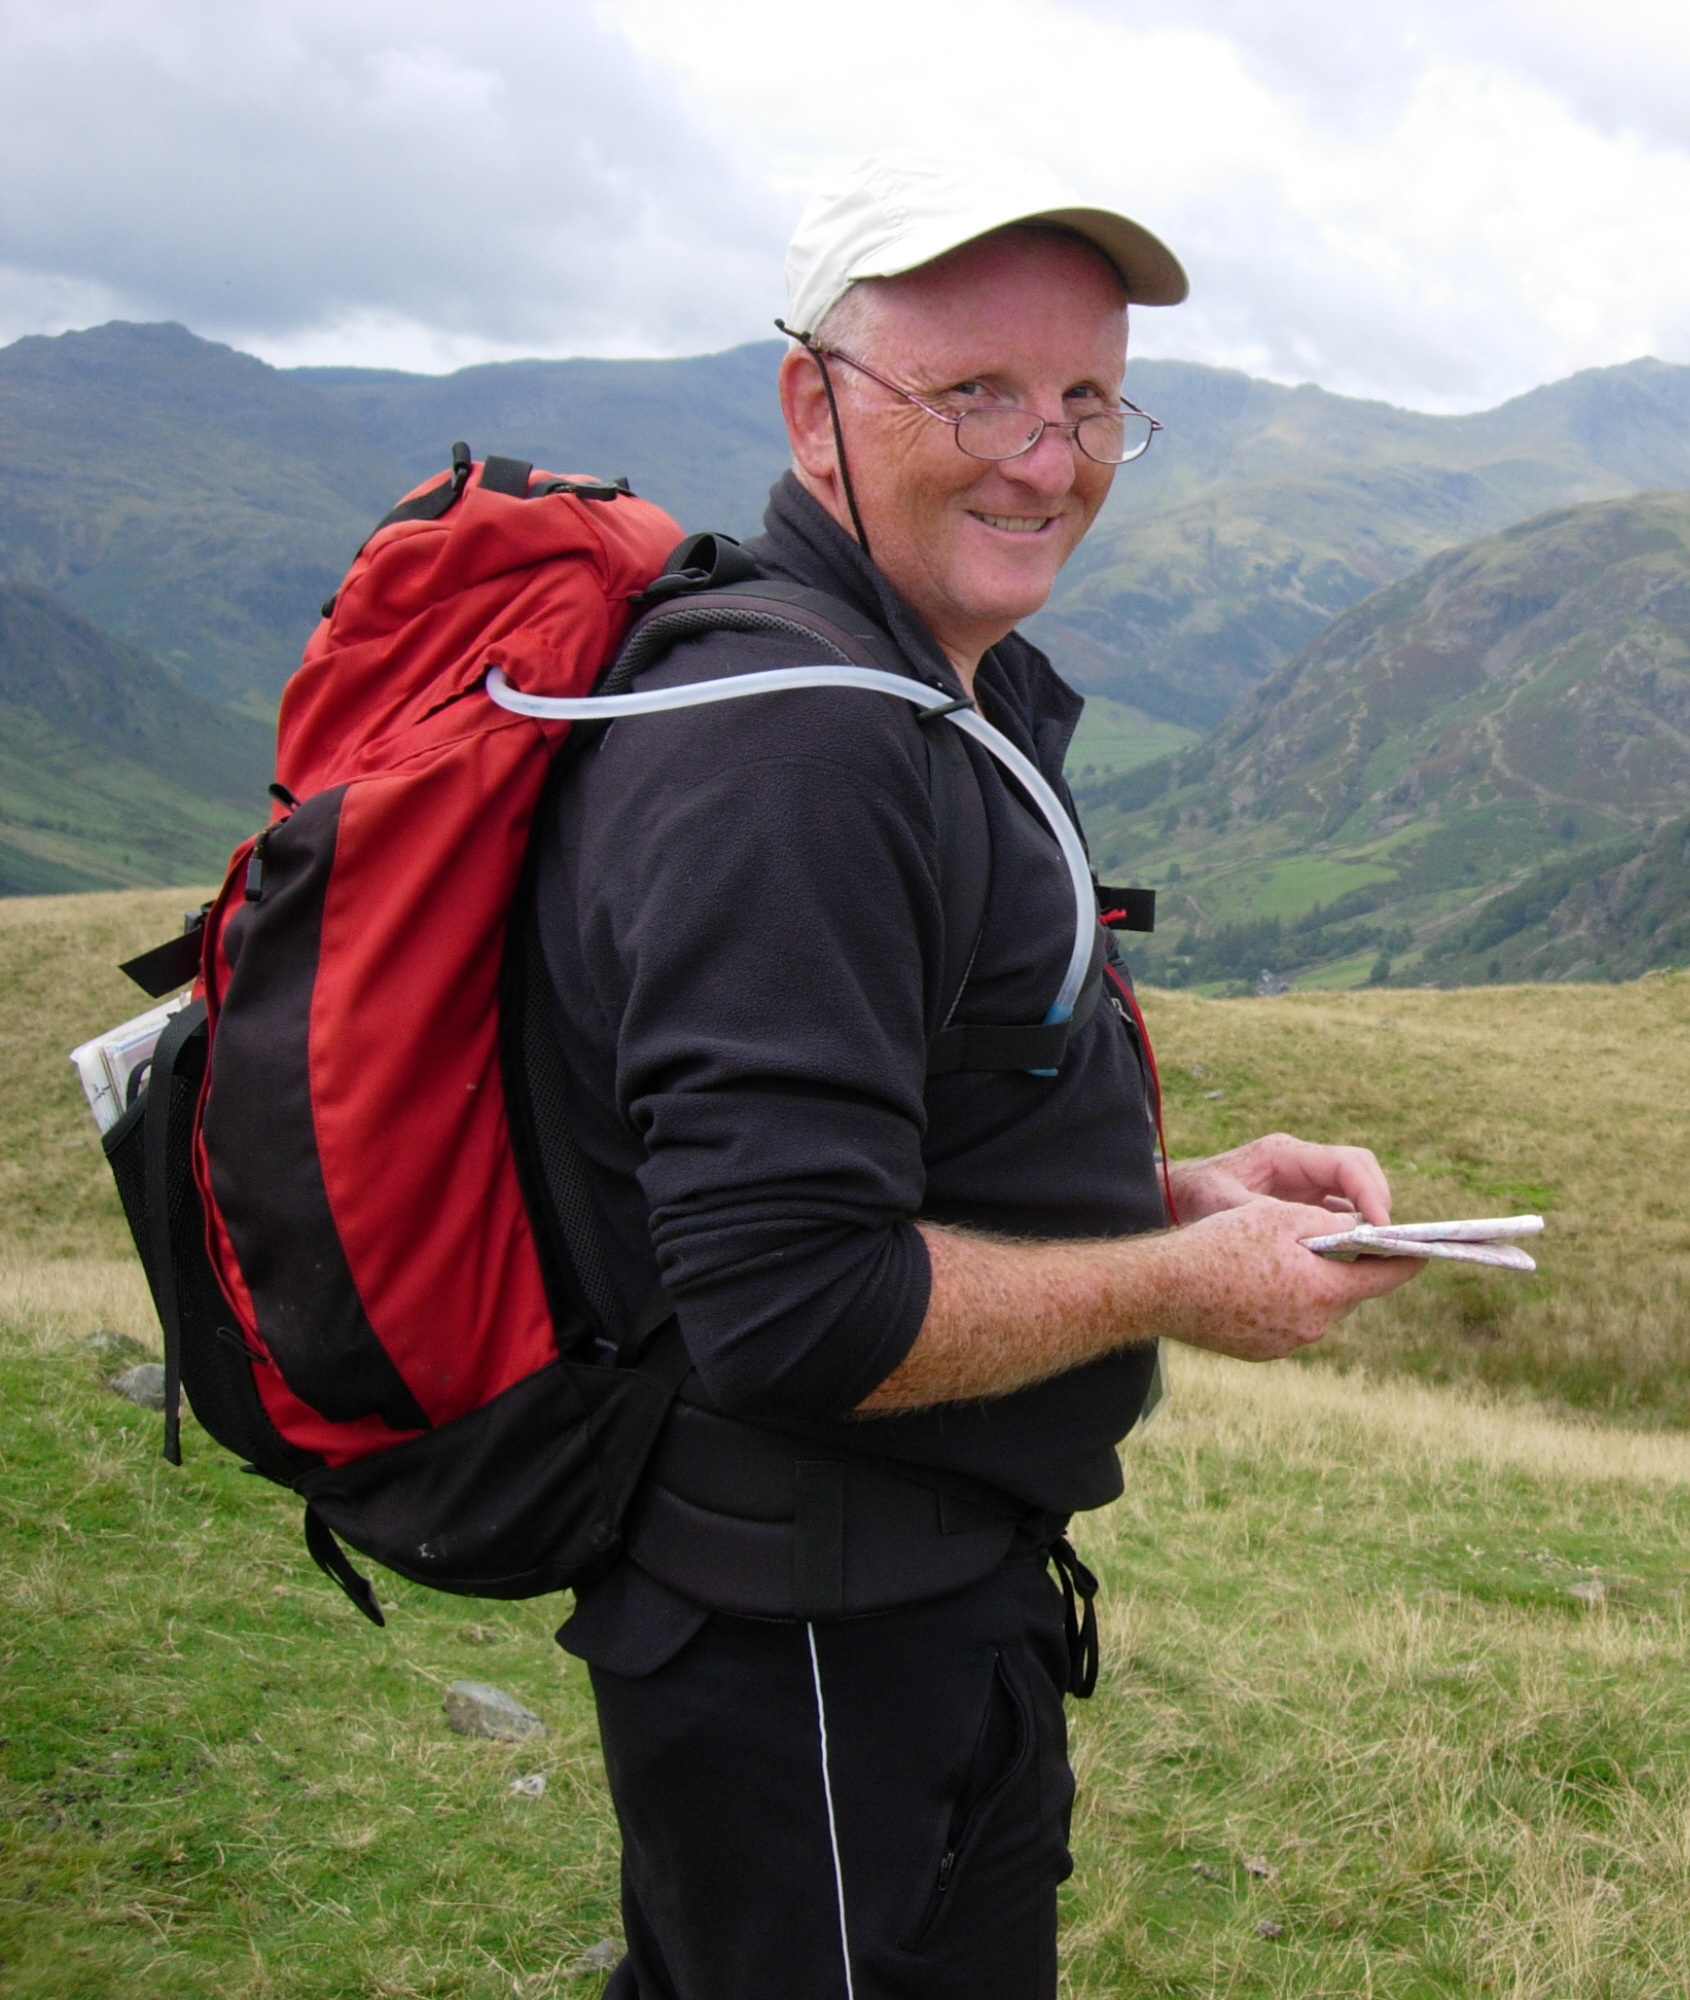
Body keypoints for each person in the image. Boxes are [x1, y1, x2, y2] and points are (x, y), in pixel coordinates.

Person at [533, 151, 1421, 2000]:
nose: (1047, 456)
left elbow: (884, 1152)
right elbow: (791, 1306)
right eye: (977, 394)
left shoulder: (923, 686)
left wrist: (1178, 1194)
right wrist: (1177, 1285)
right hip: (809, 1648)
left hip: (894, 1615)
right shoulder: (798, 750)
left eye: (1089, 400)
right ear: (814, 406)